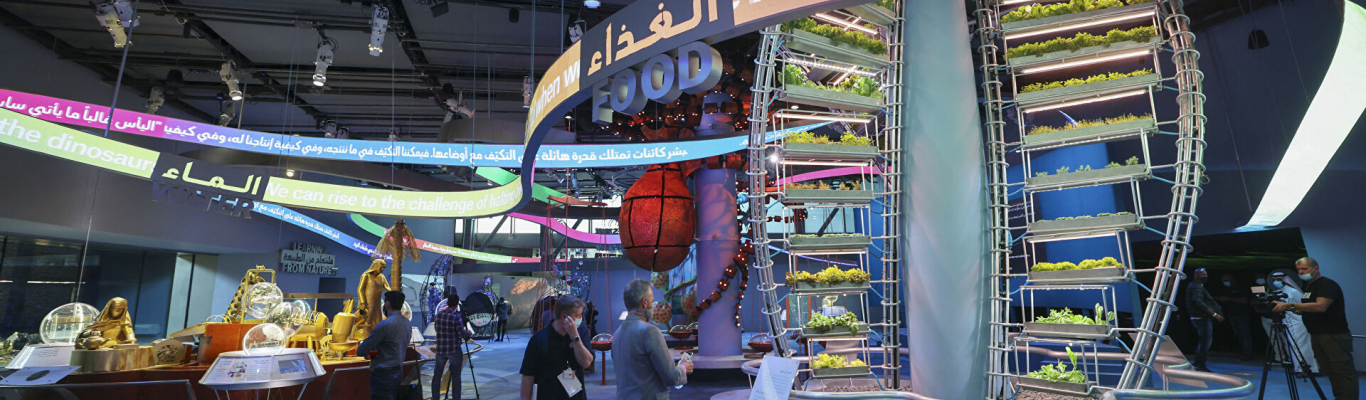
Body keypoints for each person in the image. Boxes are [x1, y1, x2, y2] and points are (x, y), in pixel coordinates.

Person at [1273, 257, 1357, 400]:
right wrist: (1299, 310)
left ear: (1316, 269)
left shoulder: (1326, 285)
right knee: (1330, 371)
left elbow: (1321, 306)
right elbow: (1311, 306)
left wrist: (1291, 305)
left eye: (1304, 269)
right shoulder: (1309, 286)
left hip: (1333, 335)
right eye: (1298, 269)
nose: (1301, 272)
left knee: (1342, 372)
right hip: (1317, 334)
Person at [613, 279, 693, 400]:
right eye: (652, 301)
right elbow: (671, 377)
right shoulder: (650, 331)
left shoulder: (617, 334)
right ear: (645, 302)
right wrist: (683, 367)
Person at [519, 295, 594, 400]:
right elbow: (528, 376)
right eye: (577, 315)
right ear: (564, 317)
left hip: (576, 395)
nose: (580, 318)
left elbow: (586, 363)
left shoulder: (581, 333)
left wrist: (575, 338)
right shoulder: (539, 340)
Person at [357, 291, 413, 400]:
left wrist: (368, 352)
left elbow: (361, 350)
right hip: (398, 372)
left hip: (382, 376)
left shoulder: (384, 325)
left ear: (387, 304)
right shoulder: (407, 323)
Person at [1260, 272, 1318, 375]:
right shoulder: (1278, 292)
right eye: (1274, 279)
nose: (1276, 281)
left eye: (1278, 279)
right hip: (1287, 322)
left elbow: (1303, 306)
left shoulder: (1293, 292)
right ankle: (1298, 368)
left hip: (1298, 322)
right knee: (1293, 347)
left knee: (1302, 346)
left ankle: (1307, 368)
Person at [433, 292, 471, 400]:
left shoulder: (439, 315)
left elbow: (436, 329)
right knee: (456, 376)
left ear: (448, 303)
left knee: (437, 376)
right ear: (456, 304)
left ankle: (435, 398)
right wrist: (468, 332)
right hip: (453, 350)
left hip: (440, 350)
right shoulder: (456, 316)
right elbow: (462, 334)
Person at [1185, 268, 1223, 372]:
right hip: (1200, 317)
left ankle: (1198, 362)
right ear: (1196, 275)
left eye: (1205, 274)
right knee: (1205, 342)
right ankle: (1200, 364)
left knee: (1204, 341)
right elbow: (1198, 302)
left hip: (1200, 317)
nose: (1205, 277)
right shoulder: (1196, 286)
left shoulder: (1197, 285)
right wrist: (1214, 314)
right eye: (1203, 275)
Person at [1212, 273, 1255, 361]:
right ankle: (1243, 351)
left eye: (1226, 280)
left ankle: (1248, 353)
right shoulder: (1225, 289)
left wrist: (1229, 299)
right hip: (1231, 314)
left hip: (1242, 314)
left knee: (1245, 334)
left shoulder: (1240, 287)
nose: (1225, 282)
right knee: (1238, 334)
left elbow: (1245, 300)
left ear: (1231, 279)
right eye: (1223, 280)